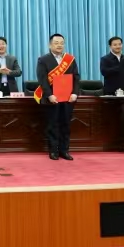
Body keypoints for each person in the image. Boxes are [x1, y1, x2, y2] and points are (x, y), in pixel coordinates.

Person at [35, 33, 81, 161]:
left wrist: (75, 93)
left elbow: (76, 78)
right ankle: (53, 151)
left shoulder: (70, 59)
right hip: (52, 99)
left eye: (61, 43)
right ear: (50, 45)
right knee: (53, 125)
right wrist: (49, 95)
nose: (59, 45)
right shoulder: (43, 60)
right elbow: (42, 79)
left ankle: (64, 150)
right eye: (56, 43)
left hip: (68, 98)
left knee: (66, 125)